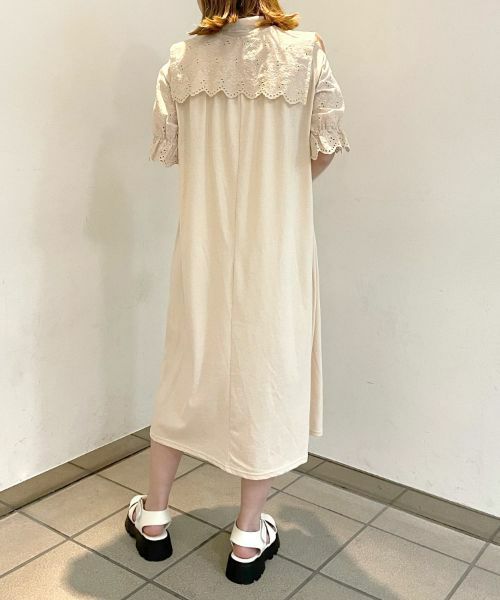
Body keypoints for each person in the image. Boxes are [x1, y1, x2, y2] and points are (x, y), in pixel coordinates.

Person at [125, 0, 350, 585]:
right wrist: (282, 185)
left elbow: (175, 150)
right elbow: (323, 148)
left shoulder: (182, 60)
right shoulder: (306, 53)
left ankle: (154, 517)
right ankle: (248, 536)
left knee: (186, 365)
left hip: (204, 245)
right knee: (266, 371)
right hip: (275, 246)